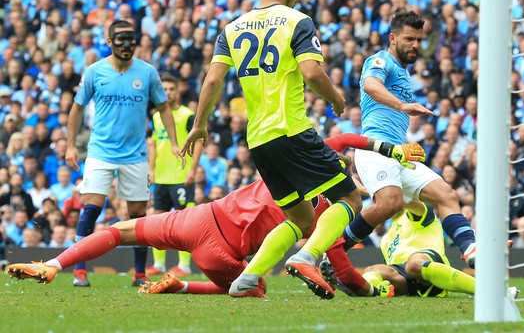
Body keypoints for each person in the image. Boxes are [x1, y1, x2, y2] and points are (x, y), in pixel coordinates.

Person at [6, 134, 425, 298]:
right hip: (221, 253)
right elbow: (345, 271)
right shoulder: (321, 219)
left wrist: (386, 149)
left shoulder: (292, 165)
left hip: (200, 217)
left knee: (120, 230)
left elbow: (342, 139)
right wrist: (367, 291)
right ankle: (182, 286)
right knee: (254, 290)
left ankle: (53, 264)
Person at [181, 0, 367, 299]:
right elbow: (311, 72)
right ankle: (308, 256)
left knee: (300, 216)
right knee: (350, 198)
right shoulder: (298, 21)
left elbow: (212, 80)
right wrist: (338, 100)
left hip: (259, 140)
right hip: (292, 129)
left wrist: (199, 123)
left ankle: (246, 280)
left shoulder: (232, 28)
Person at [342, 11, 479, 268]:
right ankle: (336, 250)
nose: (415, 45)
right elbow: (371, 85)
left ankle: (472, 252)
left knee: (446, 195)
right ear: (392, 38)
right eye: (409, 39)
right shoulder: (381, 61)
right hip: (374, 147)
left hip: (398, 152)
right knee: (390, 203)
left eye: (419, 39)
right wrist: (403, 106)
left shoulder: (404, 74)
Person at [65, 20, 181, 288]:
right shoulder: (95, 72)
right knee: (92, 208)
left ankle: (139, 273)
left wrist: (174, 142)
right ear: (109, 42)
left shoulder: (148, 73)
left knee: (138, 216)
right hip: (100, 151)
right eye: (121, 40)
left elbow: (164, 108)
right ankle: (79, 271)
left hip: (135, 154)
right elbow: (77, 108)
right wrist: (71, 145)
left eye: (131, 40)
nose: (127, 46)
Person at [323, 201, 518, 299]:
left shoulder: (417, 212)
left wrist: (389, 191)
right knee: (374, 270)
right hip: (408, 278)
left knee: (414, 263)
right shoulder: (386, 237)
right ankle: (370, 290)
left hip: (428, 263)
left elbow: (405, 200)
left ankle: (493, 292)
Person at [146, 73, 203, 277]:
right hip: (161, 177)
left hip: (181, 175)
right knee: (156, 221)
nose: (168, 92)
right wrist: (151, 170)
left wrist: (193, 170)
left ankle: (184, 265)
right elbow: (153, 143)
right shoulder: (155, 116)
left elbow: (198, 141)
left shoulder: (187, 115)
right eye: (165, 89)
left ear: (178, 90)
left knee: (183, 224)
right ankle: (159, 264)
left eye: (171, 89)